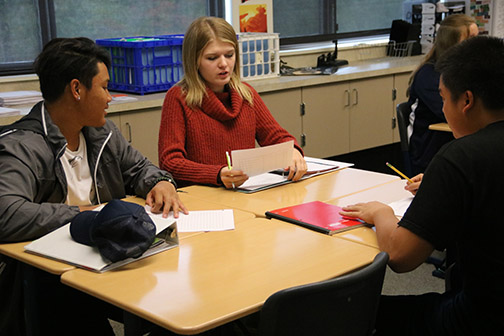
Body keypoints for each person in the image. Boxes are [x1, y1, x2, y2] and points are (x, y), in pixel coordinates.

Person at [0, 37, 187, 335]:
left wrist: (161, 182)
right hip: (50, 284)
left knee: (177, 303)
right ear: (76, 89)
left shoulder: (102, 133)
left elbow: (140, 168)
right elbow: (7, 214)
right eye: (104, 87)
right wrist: (84, 215)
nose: (110, 97)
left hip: (107, 264)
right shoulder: (22, 146)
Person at [341, 36, 504, 335]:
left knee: (354, 313)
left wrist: (381, 213)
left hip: (482, 318)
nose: (442, 109)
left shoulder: (460, 158)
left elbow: (402, 258)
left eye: (443, 99)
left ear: (466, 101)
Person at [158, 16, 306, 188]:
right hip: (200, 197)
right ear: (194, 61)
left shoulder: (246, 94)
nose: (224, 64)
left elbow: (276, 136)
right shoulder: (179, 98)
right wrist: (217, 174)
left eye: (229, 55)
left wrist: (293, 150)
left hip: (242, 194)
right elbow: (170, 162)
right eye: (212, 58)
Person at [407, 14, 478, 176]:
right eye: (470, 39)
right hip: (430, 152)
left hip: (457, 146)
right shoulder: (429, 75)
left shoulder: (467, 71)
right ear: (452, 44)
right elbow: (455, 113)